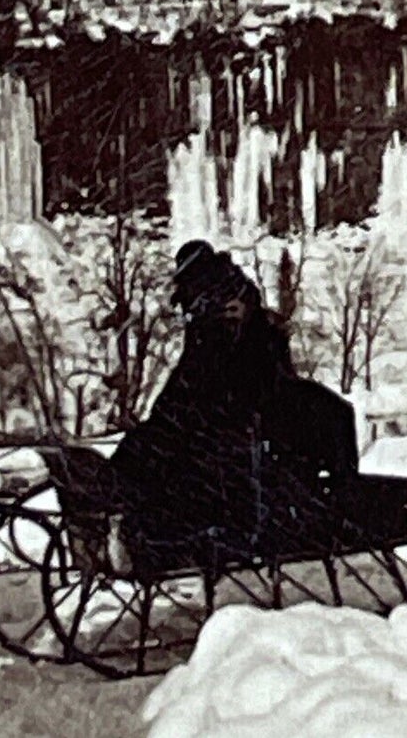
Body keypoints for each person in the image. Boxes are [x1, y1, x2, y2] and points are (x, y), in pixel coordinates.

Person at [108, 240, 358, 571]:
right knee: (152, 447)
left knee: (174, 455)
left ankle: (158, 535)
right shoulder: (211, 317)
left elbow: (227, 384)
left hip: (244, 422)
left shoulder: (228, 320)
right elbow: (191, 381)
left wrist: (177, 417)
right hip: (225, 414)